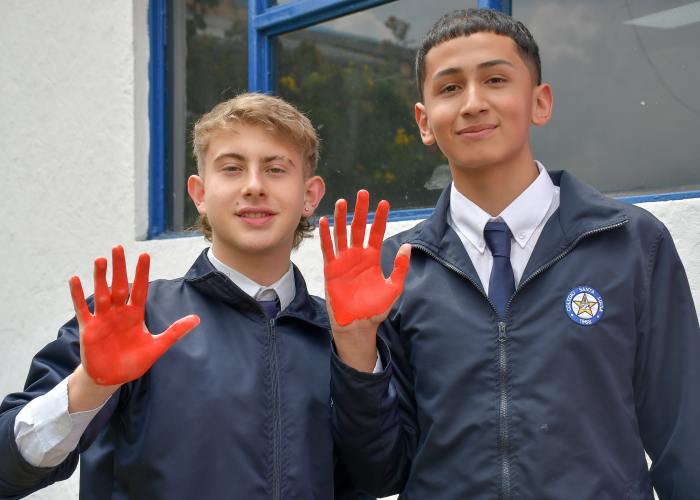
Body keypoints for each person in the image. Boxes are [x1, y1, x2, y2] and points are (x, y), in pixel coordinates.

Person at [321, 9, 700, 500]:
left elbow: (684, 437)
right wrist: (355, 346)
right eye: (450, 88)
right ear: (424, 122)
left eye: (496, 80)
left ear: (539, 102)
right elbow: (380, 474)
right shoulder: (396, 270)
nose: (473, 103)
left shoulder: (631, 243)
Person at [0, 93, 370, 499]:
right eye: (231, 168)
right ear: (199, 193)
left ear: (310, 196)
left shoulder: (345, 333)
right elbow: (8, 468)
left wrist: (360, 351)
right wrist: (89, 387)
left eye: (276, 169)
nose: (253, 186)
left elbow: (375, 474)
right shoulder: (134, 319)